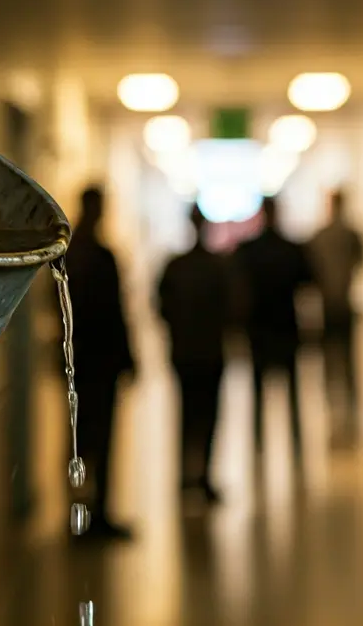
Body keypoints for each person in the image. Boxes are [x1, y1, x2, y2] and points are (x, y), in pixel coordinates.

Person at [60, 186, 136, 541]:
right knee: (97, 440)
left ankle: (81, 516)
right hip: (100, 362)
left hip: (80, 360)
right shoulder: (99, 257)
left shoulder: (69, 256)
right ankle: (94, 515)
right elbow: (116, 313)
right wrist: (127, 357)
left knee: (80, 440)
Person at [158, 206, 233, 504]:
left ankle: (186, 477)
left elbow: (162, 307)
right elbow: (232, 309)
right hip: (210, 351)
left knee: (187, 413)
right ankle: (202, 476)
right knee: (208, 414)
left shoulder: (176, 267)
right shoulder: (216, 267)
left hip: (185, 351)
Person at [232, 197, 315, 466]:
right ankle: (295, 444)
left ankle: (259, 445)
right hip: (283, 328)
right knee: (290, 391)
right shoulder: (291, 250)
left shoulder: (250, 251)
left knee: (260, 391)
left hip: (261, 329)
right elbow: (309, 284)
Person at [308, 190, 363, 438]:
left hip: (330, 307)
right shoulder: (351, 235)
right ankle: (348, 410)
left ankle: (336, 407)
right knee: (346, 360)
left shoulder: (321, 237)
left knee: (333, 360)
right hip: (341, 305)